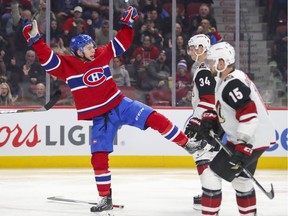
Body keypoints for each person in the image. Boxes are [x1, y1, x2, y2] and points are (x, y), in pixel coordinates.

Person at [22, 6, 198, 213]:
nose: (92, 49)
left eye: (92, 46)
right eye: (88, 47)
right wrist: (36, 40)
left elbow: (121, 43)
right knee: (98, 156)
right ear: (78, 51)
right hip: (100, 118)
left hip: (120, 104)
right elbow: (48, 59)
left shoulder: (100, 54)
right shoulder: (67, 65)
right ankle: (105, 197)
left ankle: (187, 144)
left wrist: (128, 24)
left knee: (155, 117)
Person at [197, 41, 276, 216]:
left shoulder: (232, 84)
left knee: (211, 177)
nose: (209, 65)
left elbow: (249, 115)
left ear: (222, 63)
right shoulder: (229, 78)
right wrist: (212, 121)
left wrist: (243, 146)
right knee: (242, 180)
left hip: (250, 140)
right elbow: (230, 109)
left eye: (212, 61)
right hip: (256, 139)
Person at [183, 34, 221, 210]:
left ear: (201, 48)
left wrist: (196, 121)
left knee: (201, 155)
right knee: (208, 155)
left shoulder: (204, 70)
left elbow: (207, 99)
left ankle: (210, 193)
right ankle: (211, 191)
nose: (190, 51)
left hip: (208, 120)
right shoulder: (210, 68)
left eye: (192, 47)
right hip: (215, 118)